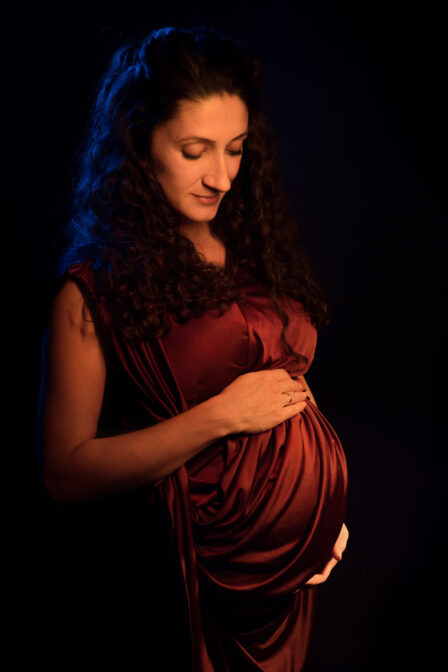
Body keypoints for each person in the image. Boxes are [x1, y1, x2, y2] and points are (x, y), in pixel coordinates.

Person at [40, 26, 348, 672]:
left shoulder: (249, 239)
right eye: (194, 151)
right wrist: (223, 416)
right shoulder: (92, 291)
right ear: (137, 141)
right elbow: (64, 473)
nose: (221, 177)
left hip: (282, 591)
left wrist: (318, 518)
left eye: (235, 150)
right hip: (187, 583)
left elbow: (281, 373)